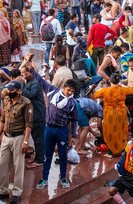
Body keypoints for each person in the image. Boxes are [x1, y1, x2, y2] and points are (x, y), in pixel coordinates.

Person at [23, 57, 78, 190]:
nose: (69, 93)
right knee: (47, 155)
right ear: (64, 87)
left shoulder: (72, 102)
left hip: (62, 131)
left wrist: (74, 135)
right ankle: (44, 179)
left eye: (72, 91)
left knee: (63, 155)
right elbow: (40, 80)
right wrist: (31, 68)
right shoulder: (52, 90)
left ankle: (63, 178)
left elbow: (74, 120)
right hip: (49, 130)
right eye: (68, 90)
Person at [0, 81, 32, 203]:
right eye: (8, 90)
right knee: (2, 164)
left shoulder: (26, 104)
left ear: (19, 91)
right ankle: (3, 190)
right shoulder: (5, 100)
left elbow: (28, 125)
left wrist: (26, 142)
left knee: (18, 165)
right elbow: (2, 119)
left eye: (12, 90)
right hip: (6, 136)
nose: (9, 92)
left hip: (18, 137)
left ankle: (17, 192)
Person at [94, 72, 133, 158]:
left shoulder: (105, 91)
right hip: (121, 112)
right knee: (121, 131)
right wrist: (121, 85)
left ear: (110, 81)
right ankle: (122, 150)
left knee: (109, 132)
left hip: (109, 113)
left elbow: (96, 94)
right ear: (118, 81)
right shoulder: (122, 90)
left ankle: (110, 153)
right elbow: (131, 90)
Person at [109, 131, 133, 204]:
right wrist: (120, 168)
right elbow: (124, 156)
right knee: (112, 191)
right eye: (132, 137)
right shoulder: (129, 144)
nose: (131, 139)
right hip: (126, 174)